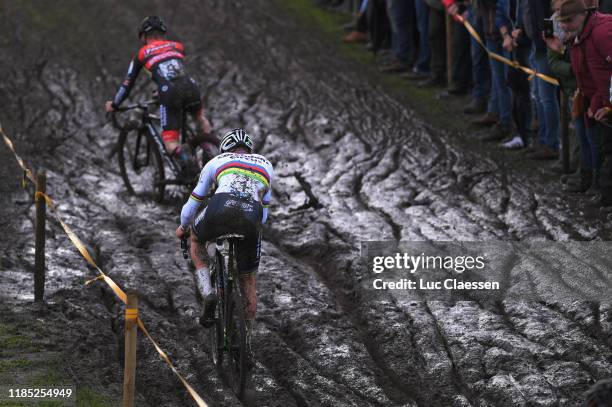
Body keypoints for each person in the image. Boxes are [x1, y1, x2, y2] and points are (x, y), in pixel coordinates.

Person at [176, 128, 273, 358]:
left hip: (219, 208)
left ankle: (208, 292)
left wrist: (182, 227)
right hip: (251, 217)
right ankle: (247, 344)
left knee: (196, 239)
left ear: (224, 149)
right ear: (250, 150)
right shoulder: (266, 164)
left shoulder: (217, 161)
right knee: (248, 280)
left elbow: (194, 201)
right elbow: (265, 213)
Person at [105, 16, 213, 173]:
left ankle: (182, 153)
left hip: (170, 93)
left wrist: (114, 104)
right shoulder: (178, 46)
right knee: (200, 120)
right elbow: (174, 69)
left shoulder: (142, 54)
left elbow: (127, 84)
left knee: (170, 141)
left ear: (143, 36)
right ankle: (209, 149)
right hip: (191, 87)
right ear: (163, 33)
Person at [559, 0, 612, 206]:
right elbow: (591, 76)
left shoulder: (601, 32)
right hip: (600, 100)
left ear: (582, 15)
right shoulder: (579, 37)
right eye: (561, 22)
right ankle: (605, 196)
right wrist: (596, 103)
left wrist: (607, 105)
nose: (565, 26)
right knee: (604, 147)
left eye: (569, 21)